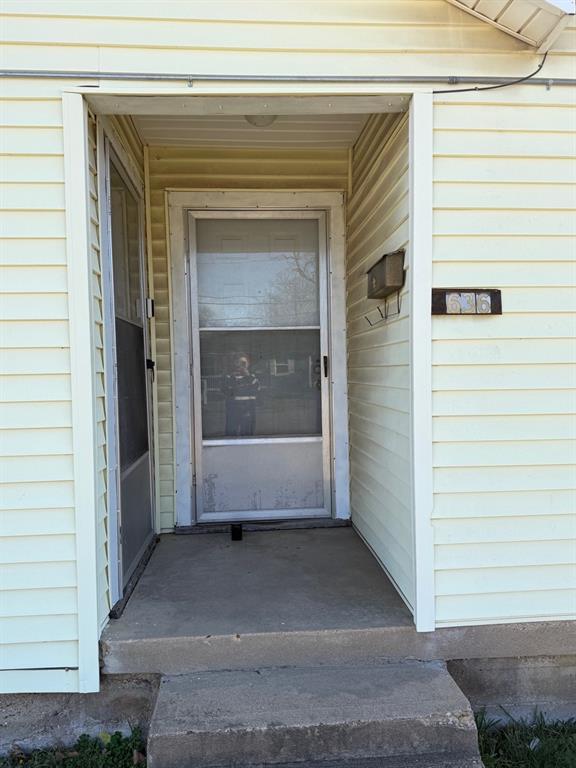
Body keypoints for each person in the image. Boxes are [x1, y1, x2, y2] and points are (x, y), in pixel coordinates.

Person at [223, 353, 259, 436]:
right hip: (233, 408)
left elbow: (257, 389)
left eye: (244, 363)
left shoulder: (252, 377)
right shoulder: (229, 376)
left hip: (249, 407)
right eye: (239, 363)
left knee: (248, 432)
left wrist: (248, 376)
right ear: (235, 363)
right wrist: (233, 378)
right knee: (231, 432)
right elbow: (225, 390)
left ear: (248, 364)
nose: (241, 366)